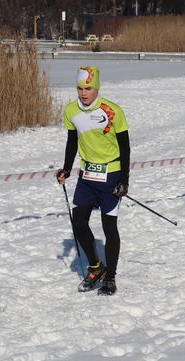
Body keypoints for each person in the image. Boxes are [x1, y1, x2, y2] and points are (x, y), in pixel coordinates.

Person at [57, 66, 131, 296]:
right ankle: (96, 268)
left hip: (111, 175)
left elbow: (125, 147)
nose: (83, 93)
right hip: (87, 176)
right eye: (80, 88)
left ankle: (110, 277)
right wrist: (67, 168)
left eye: (88, 88)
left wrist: (124, 179)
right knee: (78, 223)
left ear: (97, 87)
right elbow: (72, 141)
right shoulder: (71, 110)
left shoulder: (112, 111)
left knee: (109, 228)